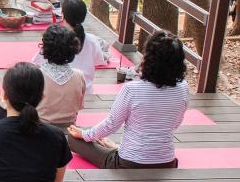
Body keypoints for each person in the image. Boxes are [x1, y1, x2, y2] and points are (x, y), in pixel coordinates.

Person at [66, 31, 189, 169]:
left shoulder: (132, 89)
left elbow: (111, 125)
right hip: (167, 162)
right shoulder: (183, 88)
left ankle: (114, 148)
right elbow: (175, 124)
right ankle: (115, 147)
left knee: (73, 139)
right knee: (97, 138)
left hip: (129, 163)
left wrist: (83, 134)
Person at [0, 25, 85, 130]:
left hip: (38, 127)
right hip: (69, 127)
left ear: (45, 48)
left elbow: (22, 108)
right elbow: (78, 107)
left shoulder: (36, 75)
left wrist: (3, 102)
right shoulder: (79, 75)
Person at [54, 0, 111, 93]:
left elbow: (40, 63)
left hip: (59, 91)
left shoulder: (54, 39)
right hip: (85, 91)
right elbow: (99, 61)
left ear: (63, 15)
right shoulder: (92, 40)